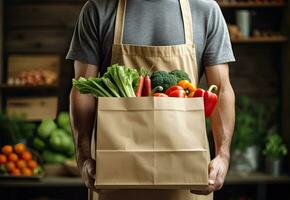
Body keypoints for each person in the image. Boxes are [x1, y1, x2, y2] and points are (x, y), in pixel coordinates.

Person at [67, 0, 235, 200]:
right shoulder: (98, 10)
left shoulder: (205, 10)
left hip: (187, 179)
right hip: (114, 179)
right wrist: (83, 157)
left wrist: (223, 156)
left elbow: (221, 89)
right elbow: (82, 88)